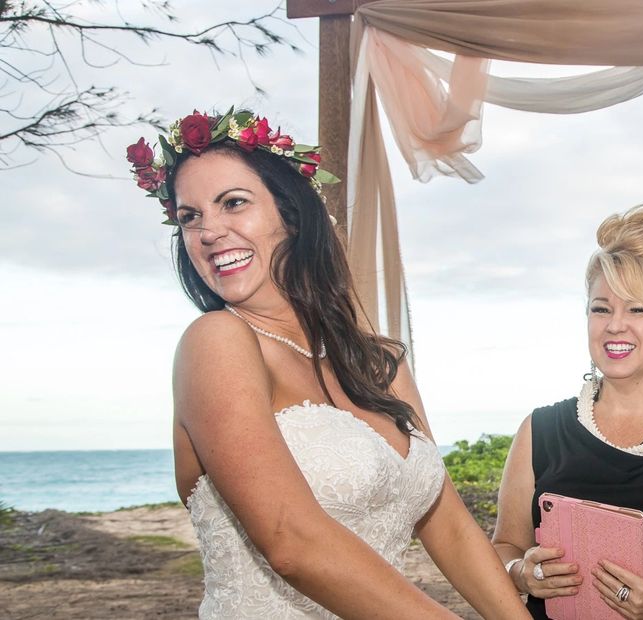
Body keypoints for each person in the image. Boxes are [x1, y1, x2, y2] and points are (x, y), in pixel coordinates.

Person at [127, 109, 531, 619]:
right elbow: (290, 539)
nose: (209, 231)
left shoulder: (379, 362)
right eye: (190, 216)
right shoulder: (218, 343)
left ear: (291, 216)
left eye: (233, 203)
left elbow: (446, 521)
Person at [491, 199, 643, 619]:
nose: (614, 325)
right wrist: (521, 572)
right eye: (600, 308)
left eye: (637, 309)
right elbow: (503, 548)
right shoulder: (540, 430)